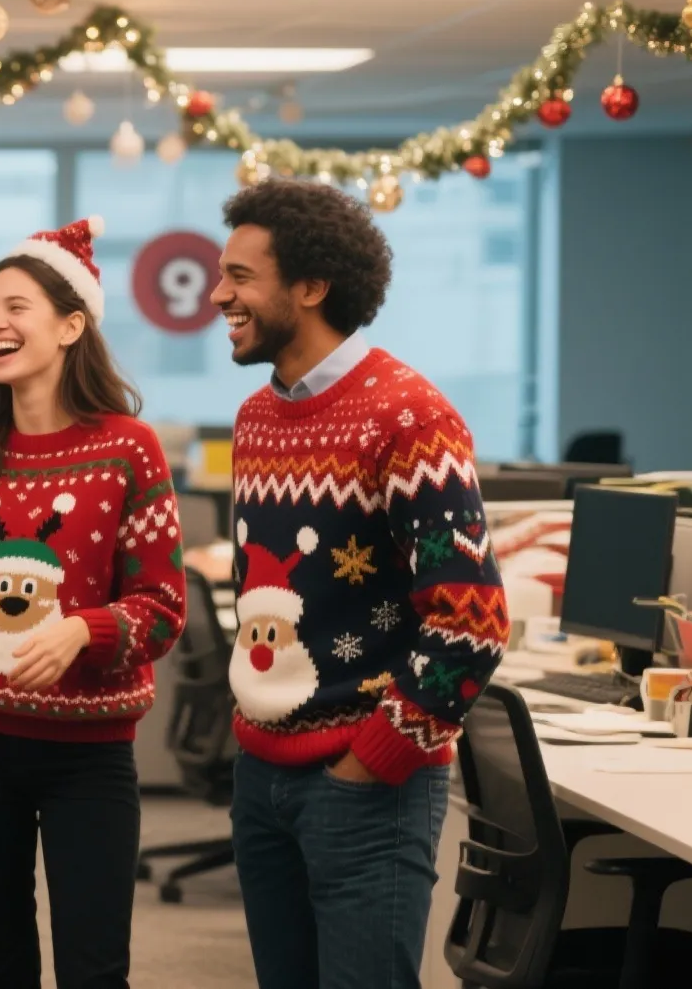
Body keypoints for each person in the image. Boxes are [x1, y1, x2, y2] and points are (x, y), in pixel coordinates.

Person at [210, 179, 508, 989]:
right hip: (263, 773)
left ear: (310, 287)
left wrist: (373, 759)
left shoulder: (408, 415)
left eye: (240, 276)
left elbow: (472, 620)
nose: (219, 293)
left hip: (365, 781)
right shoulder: (257, 418)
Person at [0, 219, 186, 989]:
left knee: (94, 969)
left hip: (88, 757)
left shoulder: (129, 448)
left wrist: (84, 634)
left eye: (16, 306)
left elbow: (162, 607)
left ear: (70, 324)